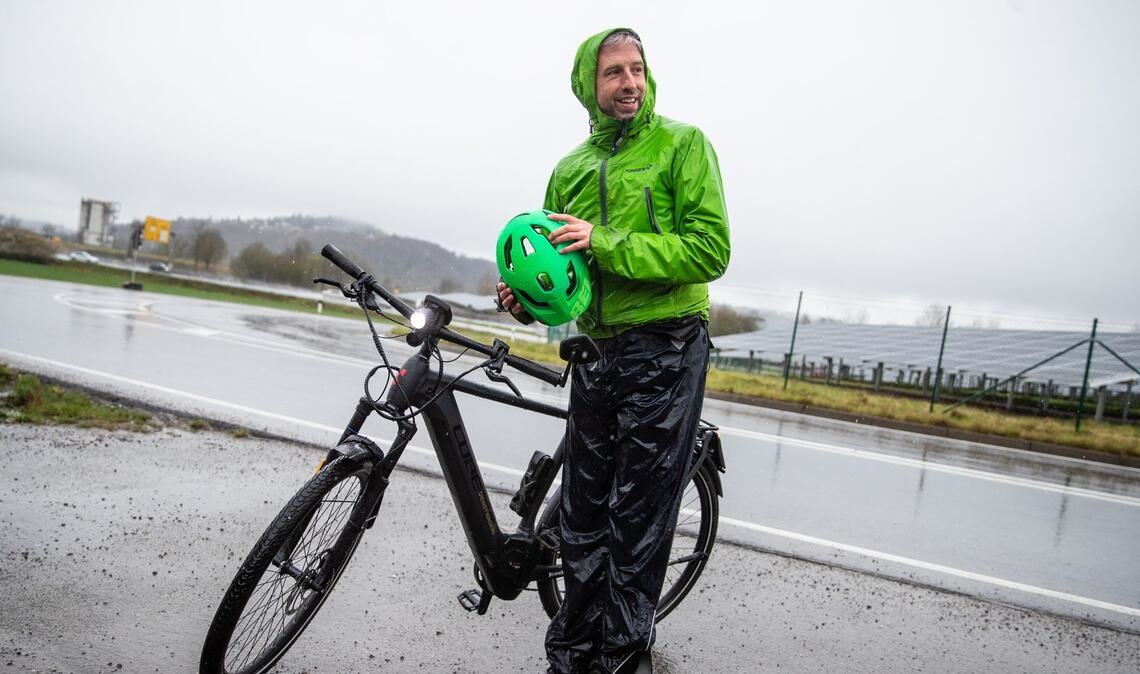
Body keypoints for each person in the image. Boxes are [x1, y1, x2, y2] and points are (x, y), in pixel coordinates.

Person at [497, 27, 730, 674]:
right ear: (587, 85)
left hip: (667, 345)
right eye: (614, 73)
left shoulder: (683, 145)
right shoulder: (568, 170)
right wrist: (525, 298)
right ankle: (570, 656)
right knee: (580, 516)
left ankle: (622, 659)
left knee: (636, 518)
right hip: (596, 351)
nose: (630, 83)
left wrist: (603, 240)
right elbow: (561, 279)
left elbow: (710, 251)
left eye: (637, 69)